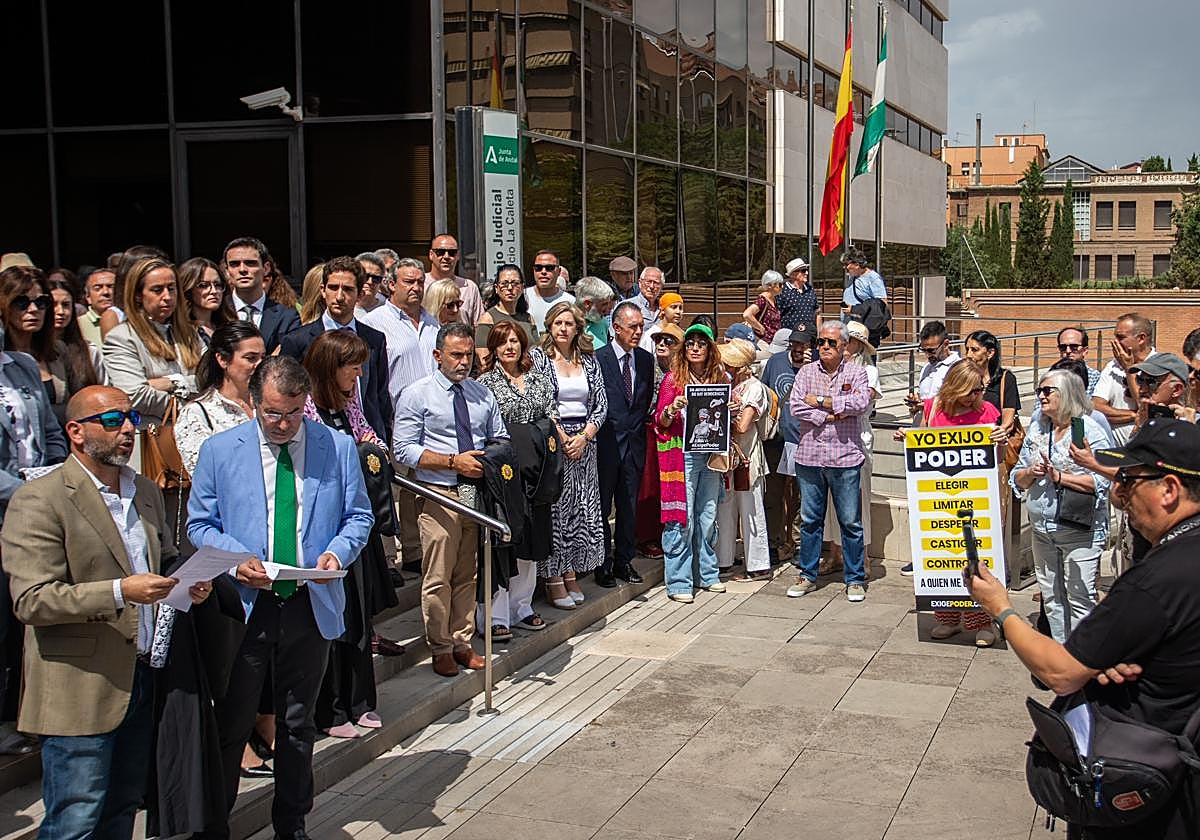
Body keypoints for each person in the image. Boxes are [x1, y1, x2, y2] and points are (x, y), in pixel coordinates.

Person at [966, 417, 1200, 840]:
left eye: (1129, 480)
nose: (1118, 493)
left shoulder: (1160, 578)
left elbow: (1061, 671)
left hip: (1143, 775)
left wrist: (999, 607)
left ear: (1169, 489)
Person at [2, 385, 201, 838]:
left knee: (122, 810)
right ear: (75, 432)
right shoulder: (39, 499)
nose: (128, 428)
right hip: (78, 686)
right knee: (75, 820)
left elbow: (164, 559)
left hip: (141, 675)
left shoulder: (145, 491)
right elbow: (33, 599)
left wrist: (187, 583)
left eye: (130, 417)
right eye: (112, 421)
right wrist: (120, 591)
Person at [187, 355, 373, 840]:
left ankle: (291, 824)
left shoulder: (337, 447)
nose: (284, 424)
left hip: (310, 602)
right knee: (233, 723)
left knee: (297, 723)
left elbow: (358, 515)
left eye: (293, 412)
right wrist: (236, 557)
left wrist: (336, 552)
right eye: (273, 414)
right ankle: (213, 826)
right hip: (244, 607)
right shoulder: (220, 450)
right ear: (253, 405)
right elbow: (200, 524)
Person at [392, 323, 507, 677]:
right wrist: (452, 461)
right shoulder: (417, 394)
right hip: (438, 492)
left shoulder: (481, 394)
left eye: (469, 355)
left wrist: (486, 460)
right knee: (438, 574)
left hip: (475, 494)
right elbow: (403, 449)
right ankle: (439, 645)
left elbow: (499, 437)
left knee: (467, 572)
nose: (463, 362)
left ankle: (461, 641)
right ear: (437, 355)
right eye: (456, 355)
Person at [302, 331, 398, 739]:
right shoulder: (305, 409)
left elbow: (367, 437)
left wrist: (372, 448)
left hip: (356, 526)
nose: (359, 374)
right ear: (330, 368)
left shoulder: (350, 400)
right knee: (331, 620)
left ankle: (362, 701)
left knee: (359, 617)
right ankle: (333, 707)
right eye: (352, 366)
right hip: (323, 529)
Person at [0, 290, 70, 758]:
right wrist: (25, 492)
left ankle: (26, 713)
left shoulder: (21, 366)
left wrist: (57, 478)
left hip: (37, 504)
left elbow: (50, 433)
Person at [907, 360, 1009, 644]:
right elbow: (922, 444)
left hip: (976, 495)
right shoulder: (934, 408)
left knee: (978, 554)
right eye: (971, 391)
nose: (976, 396)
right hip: (940, 494)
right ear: (955, 388)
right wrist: (909, 438)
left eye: (980, 390)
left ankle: (982, 620)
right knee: (943, 551)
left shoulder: (988, 411)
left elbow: (997, 460)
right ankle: (948, 617)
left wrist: (1000, 440)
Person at [1011, 369, 1110, 643]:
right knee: (1052, 597)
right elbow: (1017, 476)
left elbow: (1105, 480)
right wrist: (1032, 472)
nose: (1040, 395)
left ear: (1066, 394)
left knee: (1080, 598)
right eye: (1039, 390)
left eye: (1047, 390)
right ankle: (1061, 656)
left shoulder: (1088, 429)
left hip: (1078, 529)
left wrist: (1061, 477)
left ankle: (1083, 662)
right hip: (1041, 528)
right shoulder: (1037, 428)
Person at [475, 321, 556, 635]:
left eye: (514, 341)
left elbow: (551, 416)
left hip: (537, 471)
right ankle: (495, 615)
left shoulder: (538, 379)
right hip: (504, 473)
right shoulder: (485, 384)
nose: (510, 346)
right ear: (493, 348)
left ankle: (522, 606)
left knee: (531, 542)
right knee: (503, 543)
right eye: (502, 342)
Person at [787, 321, 871, 602]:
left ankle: (855, 578)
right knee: (810, 520)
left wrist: (820, 400)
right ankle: (807, 575)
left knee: (850, 522)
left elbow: (860, 404)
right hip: (809, 457)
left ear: (844, 346)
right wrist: (830, 413)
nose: (824, 347)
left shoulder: (857, 372)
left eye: (831, 343)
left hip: (845, 458)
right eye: (820, 342)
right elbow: (796, 405)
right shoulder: (806, 372)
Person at [531, 302, 608, 607]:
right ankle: (553, 578)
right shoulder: (539, 359)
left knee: (581, 510)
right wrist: (563, 438)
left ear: (578, 328)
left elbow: (601, 404)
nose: (563, 329)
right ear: (549, 326)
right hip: (555, 443)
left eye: (569, 323)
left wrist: (585, 436)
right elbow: (540, 400)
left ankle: (572, 573)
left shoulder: (588, 361)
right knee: (557, 512)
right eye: (558, 323)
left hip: (585, 445)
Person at [279, 256, 392, 445]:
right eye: (333, 288)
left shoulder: (374, 339)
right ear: (323, 290)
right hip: (318, 441)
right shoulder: (298, 340)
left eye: (348, 289)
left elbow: (379, 395)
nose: (339, 297)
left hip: (368, 441)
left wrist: (382, 435)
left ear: (360, 294)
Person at [654, 322, 727, 604]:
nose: (696, 347)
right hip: (681, 454)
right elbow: (659, 419)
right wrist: (672, 409)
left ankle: (706, 574)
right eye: (691, 342)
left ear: (710, 349)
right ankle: (679, 580)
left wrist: (730, 408)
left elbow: (724, 421)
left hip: (710, 455)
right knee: (681, 518)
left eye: (702, 343)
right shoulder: (673, 380)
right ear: (684, 349)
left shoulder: (720, 379)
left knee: (708, 515)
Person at [103, 256, 202, 431]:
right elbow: (135, 396)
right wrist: (193, 408)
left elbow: (212, 381)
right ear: (138, 295)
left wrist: (172, 382)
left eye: (171, 288)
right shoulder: (122, 338)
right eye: (157, 290)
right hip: (155, 437)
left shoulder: (190, 334)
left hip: (197, 433)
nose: (167, 296)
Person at [594, 301, 652, 588]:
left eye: (641, 326)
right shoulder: (597, 359)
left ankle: (623, 560)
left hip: (634, 445)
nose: (638, 331)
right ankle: (602, 562)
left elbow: (642, 403)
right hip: (605, 445)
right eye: (632, 327)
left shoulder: (644, 360)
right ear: (616, 328)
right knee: (603, 506)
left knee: (629, 507)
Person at [822, 320, 880, 574]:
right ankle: (835, 553)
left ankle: (863, 557)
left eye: (847, 341)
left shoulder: (869, 371)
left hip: (858, 435)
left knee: (858, 497)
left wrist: (831, 403)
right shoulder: (829, 369)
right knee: (831, 498)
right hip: (831, 434)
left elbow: (861, 405)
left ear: (858, 345)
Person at [715, 339, 772, 581]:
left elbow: (743, 425)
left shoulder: (754, 388)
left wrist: (727, 413)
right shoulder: (730, 385)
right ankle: (723, 560)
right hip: (729, 458)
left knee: (751, 509)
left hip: (747, 458)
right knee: (725, 508)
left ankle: (758, 564)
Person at [176, 322, 265, 476]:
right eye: (251, 358)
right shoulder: (197, 413)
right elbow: (204, 475)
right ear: (223, 359)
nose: (260, 364)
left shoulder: (269, 403)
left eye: (263, 357)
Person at [760, 328, 810, 569]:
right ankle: (773, 543)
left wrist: (807, 371)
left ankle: (800, 545)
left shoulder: (816, 367)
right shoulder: (775, 362)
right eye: (795, 345)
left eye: (804, 345)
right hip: (776, 440)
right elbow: (765, 392)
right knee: (773, 495)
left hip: (804, 441)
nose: (799, 350)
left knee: (803, 497)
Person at [361, 257, 440, 405]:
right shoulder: (373, 323)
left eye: (420, 282)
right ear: (392, 285)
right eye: (409, 282)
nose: (416, 288)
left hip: (435, 417)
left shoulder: (433, 324)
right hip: (397, 418)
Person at [635, 322, 682, 559]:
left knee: (669, 487)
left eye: (669, 341)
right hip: (648, 430)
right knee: (649, 487)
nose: (662, 344)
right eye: (658, 340)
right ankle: (646, 537)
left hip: (676, 435)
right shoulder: (647, 366)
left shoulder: (683, 372)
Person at [221, 237, 300, 354]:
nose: (242, 269)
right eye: (234, 264)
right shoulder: (218, 312)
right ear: (227, 271)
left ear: (266, 268)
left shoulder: (287, 317)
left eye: (250, 263)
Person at [44, 274, 106, 421]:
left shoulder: (89, 351)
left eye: (66, 305)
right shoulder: (32, 355)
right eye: (53, 305)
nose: (60, 312)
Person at [1093, 312, 1156, 445]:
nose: (1115, 342)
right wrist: (1134, 415)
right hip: (1115, 450)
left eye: (1121, 337)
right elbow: (1096, 407)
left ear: (1141, 338)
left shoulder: (1159, 366)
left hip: (1146, 449)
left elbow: (1147, 409)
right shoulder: (1112, 366)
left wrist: (1129, 368)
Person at [476, 264, 539, 360]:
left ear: (522, 288)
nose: (510, 288)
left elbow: (537, 353)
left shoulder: (529, 319)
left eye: (515, 283)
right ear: (496, 288)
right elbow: (483, 359)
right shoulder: (488, 319)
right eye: (504, 284)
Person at [904, 320, 960, 419]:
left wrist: (928, 405)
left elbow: (962, 402)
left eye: (931, 350)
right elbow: (924, 396)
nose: (927, 354)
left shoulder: (958, 368)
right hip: (923, 426)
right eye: (923, 349)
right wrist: (916, 402)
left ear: (946, 344)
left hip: (943, 427)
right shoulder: (927, 367)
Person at [426, 234, 483, 327]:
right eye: (440, 252)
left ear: (458, 256)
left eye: (452, 253)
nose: (446, 256)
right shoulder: (419, 284)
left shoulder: (469, 287)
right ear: (431, 255)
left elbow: (478, 325)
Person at [178, 257, 234, 347]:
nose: (214, 291)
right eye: (203, 285)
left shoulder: (230, 327)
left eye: (218, 285)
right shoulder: (179, 332)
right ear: (188, 289)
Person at [524, 250, 575, 331]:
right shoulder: (522, 297)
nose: (543, 272)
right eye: (538, 268)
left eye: (549, 268)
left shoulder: (570, 301)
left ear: (558, 271)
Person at [78, 266, 120, 350]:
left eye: (111, 287)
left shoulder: (131, 320)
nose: (105, 292)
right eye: (98, 288)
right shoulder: (78, 325)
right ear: (88, 296)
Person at [839, 247, 887, 317]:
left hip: (862, 325)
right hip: (848, 325)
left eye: (846, 264)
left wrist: (855, 310)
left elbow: (882, 305)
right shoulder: (853, 276)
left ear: (857, 265)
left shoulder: (873, 279)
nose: (844, 267)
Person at [776, 257, 818, 338]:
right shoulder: (782, 291)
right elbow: (776, 316)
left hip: (809, 338)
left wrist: (818, 336)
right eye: (803, 271)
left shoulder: (810, 289)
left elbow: (817, 313)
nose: (806, 273)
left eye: (806, 270)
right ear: (792, 274)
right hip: (789, 338)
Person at [1056, 326, 1101, 396]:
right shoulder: (1051, 376)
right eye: (1063, 347)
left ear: (1085, 351)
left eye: (1074, 347)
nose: (1068, 351)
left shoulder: (1095, 378)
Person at [576, 275, 615, 349]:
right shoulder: (565, 323)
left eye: (608, 304)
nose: (607, 311)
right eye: (604, 304)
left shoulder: (603, 323)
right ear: (587, 304)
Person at [742, 270, 784, 341]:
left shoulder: (775, 300)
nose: (782, 286)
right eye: (779, 284)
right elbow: (747, 314)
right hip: (763, 342)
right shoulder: (763, 300)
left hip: (772, 342)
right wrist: (760, 328)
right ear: (770, 285)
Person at [629, 266, 663, 335]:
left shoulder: (664, 308)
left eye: (656, 283)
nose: (652, 286)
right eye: (648, 282)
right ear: (640, 283)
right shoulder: (628, 306)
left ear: (661, 286)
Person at [353, 252, 387, 317]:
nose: (370, 282)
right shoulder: (343, 305)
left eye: (376, 278)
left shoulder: (387, 306)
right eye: (365, 276)